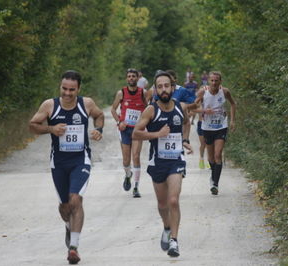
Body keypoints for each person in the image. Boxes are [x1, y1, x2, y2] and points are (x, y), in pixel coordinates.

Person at [29, 70, 104, 264]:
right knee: (64, 206)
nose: (68, 93)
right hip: (59, 163)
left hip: (81, 160)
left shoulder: (86, 104)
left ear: (78, 89)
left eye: (72, 89)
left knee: (76, 199)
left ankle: (74, 248)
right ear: (60, 87)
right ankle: (68, 226)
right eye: (64, 88)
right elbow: (33, 125)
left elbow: (99, 115)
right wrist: (50, 129)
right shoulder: (49, 105)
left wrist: (98, 129)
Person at [133, 71, 196, 257]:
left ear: (173, 87)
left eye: (166, 86)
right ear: (155, 90)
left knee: (173, 200)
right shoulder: (151, 110)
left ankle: (174, 242)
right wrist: (156, 135)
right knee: (162, 204)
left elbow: (186, 123)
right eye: (159, 87)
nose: (163, 89)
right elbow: (136, 133)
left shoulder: (179, 107)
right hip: (157, 162)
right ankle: (167, 227)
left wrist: (185, 140)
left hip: (176, 160)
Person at [195, 71, 236, 195]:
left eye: (216, 80)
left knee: (218, 155)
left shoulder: (225, 92)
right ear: (208, 81)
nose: (213, 83)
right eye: (211, 80)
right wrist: (204, 111)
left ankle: (215, 184)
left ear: (220, 82)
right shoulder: (203, 92)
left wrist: (233, 121)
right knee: (211, 158)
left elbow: (233, 104)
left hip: (221, 126)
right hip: (207, 127)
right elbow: (193, 108)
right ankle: (213, 176)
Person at [111, 68, 148, 198]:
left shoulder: (143, 93)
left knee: (136, 156)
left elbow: (149, 109)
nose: (131, 78)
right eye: (129, 76)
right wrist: (119, 122)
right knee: (126, 160)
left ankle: (136, 187)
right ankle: (128, 175)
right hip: (125, 130)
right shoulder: (121, 93)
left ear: (138, 79)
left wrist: (144, 122)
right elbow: (113, 110)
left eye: (133, 76)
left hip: (138, 130)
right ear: (127, 79)